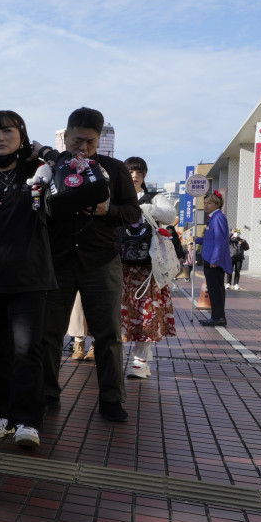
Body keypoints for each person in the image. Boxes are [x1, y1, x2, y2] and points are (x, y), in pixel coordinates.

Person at [38, 107, 141, 424]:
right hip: (59, 260)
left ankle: (111, 399)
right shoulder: (50, 167)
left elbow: (132, 213)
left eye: (90, 142)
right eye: (76, 140)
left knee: (109, 334)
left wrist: (105, 210)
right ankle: (46, 394)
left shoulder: (113, 169)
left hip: (101, 261)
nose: (82, 148)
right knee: (49, 333)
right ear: (66, 135)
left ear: (99, 140)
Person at [0, 112, 55, 452]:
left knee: (27, 351)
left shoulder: (36, 173)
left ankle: (28, 421)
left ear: (22, 135)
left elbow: (68, 177)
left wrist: (46, 152)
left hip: (29, 277)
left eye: (7, 130)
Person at [118, 157, 178, 379]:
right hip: (121, 265)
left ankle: (140, 361)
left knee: (147, 312)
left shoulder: (154, 197)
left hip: (149, 267)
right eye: (130, 171)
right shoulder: (115, 196)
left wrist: (145, 208)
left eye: (139, 172)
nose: (134, 176)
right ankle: (118, 356)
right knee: (121, 311)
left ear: (144, 175)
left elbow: (170, 215)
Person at [200, 191, 232, 327]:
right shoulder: (213, 218)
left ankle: (218, 317)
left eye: (209, 203)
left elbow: (220, 241)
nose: (206, 206)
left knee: (216, 290)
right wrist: (198, 240)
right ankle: (216, 316)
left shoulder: (218, 217)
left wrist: (215, 259)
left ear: (217, 204)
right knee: (214, 290)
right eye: (205, 203)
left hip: (214, 261)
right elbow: (211, 239)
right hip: (211, 259)